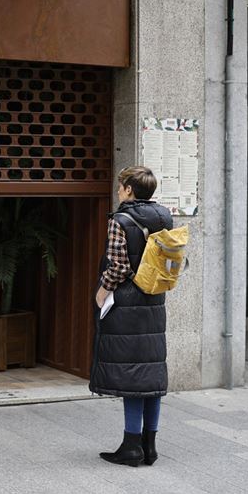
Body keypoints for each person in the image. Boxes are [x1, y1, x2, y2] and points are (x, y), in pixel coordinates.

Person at [90, 165, 171, 467]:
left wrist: (101, 292)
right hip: (154, 299)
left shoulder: (121, 220)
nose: (118, 190)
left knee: (131, 373)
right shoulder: (165, 217)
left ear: (128, 190)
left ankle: (131, 446)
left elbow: (119, 266)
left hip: (126, 302)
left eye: (120, 185)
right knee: (150, 372)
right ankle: (149, 446)